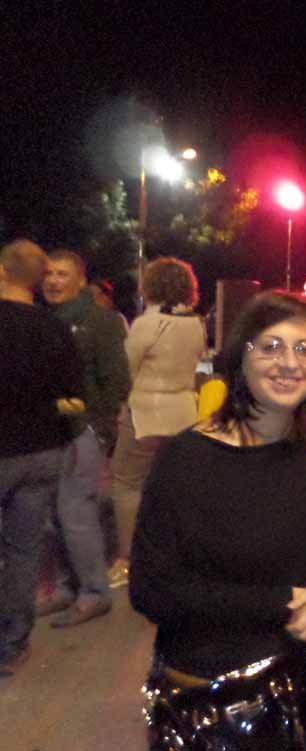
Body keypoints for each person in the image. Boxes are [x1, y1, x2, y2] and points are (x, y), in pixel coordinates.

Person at [129, 290, 306, 750]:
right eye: (271, 346)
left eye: (304, 349)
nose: (289, 363)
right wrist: (281, 603)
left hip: (302, 680)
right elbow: (152, 590)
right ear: (240, 357)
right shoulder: (186, 458)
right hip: (210, 697)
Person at [0, 240, 84, 675]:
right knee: (23, 550)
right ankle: (11, 644)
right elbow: (73, 394)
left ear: (2, 272)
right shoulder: (54, 329)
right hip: (42, 451)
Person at [38, 248, 129, 627]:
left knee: (76, 514)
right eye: (48, 274)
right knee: (51, 518)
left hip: (82, 432)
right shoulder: (40, 319)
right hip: (45, 434)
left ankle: (93, 593)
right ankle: (65, 587)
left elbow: (117, 381)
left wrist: (98, 428)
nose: (53, 281)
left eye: (61, 274)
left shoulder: (100, 321)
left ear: (79, 280)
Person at [106, 258, 206, 589]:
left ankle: (127, 560)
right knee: (173, 489)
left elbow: (126, 371)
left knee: (126, 484)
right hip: (184, 414)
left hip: (146, 414)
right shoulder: (196, 324)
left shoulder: (147, 324)